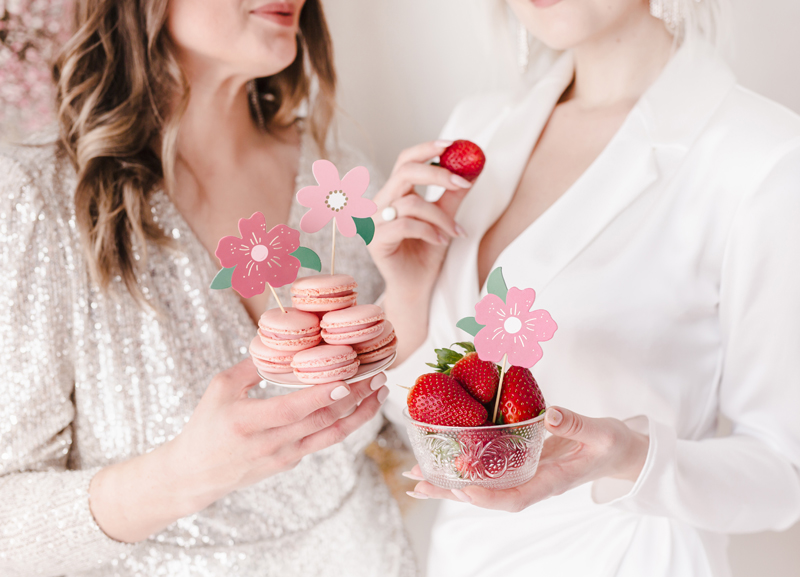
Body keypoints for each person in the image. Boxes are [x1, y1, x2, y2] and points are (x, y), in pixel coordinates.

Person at [369, 0, 800, 575]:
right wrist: (408, 293)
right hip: (464, 557)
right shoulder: (475, 130)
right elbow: (425, 421)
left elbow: (782, 478)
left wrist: (631, 457)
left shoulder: (763, 157)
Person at [0, 1, 415, 575]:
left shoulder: (341, 183)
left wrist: (416, 287)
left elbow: (400, 437)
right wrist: (182, 475)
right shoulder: (37, 199)